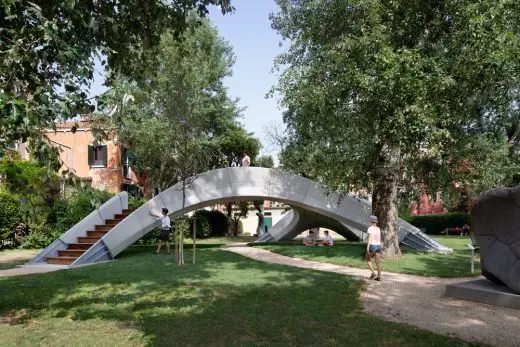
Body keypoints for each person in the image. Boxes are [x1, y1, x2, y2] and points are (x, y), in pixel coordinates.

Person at [366, 215, 382, 281]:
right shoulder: (378, 228)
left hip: (372, 245)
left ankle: (373, 273)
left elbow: (370, 238)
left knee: (368, 260)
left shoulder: (370, 228)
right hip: (379, 245)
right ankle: (379, 276)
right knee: (378, 262)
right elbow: (379, 238)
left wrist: (368, 246)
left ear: (371, 221)